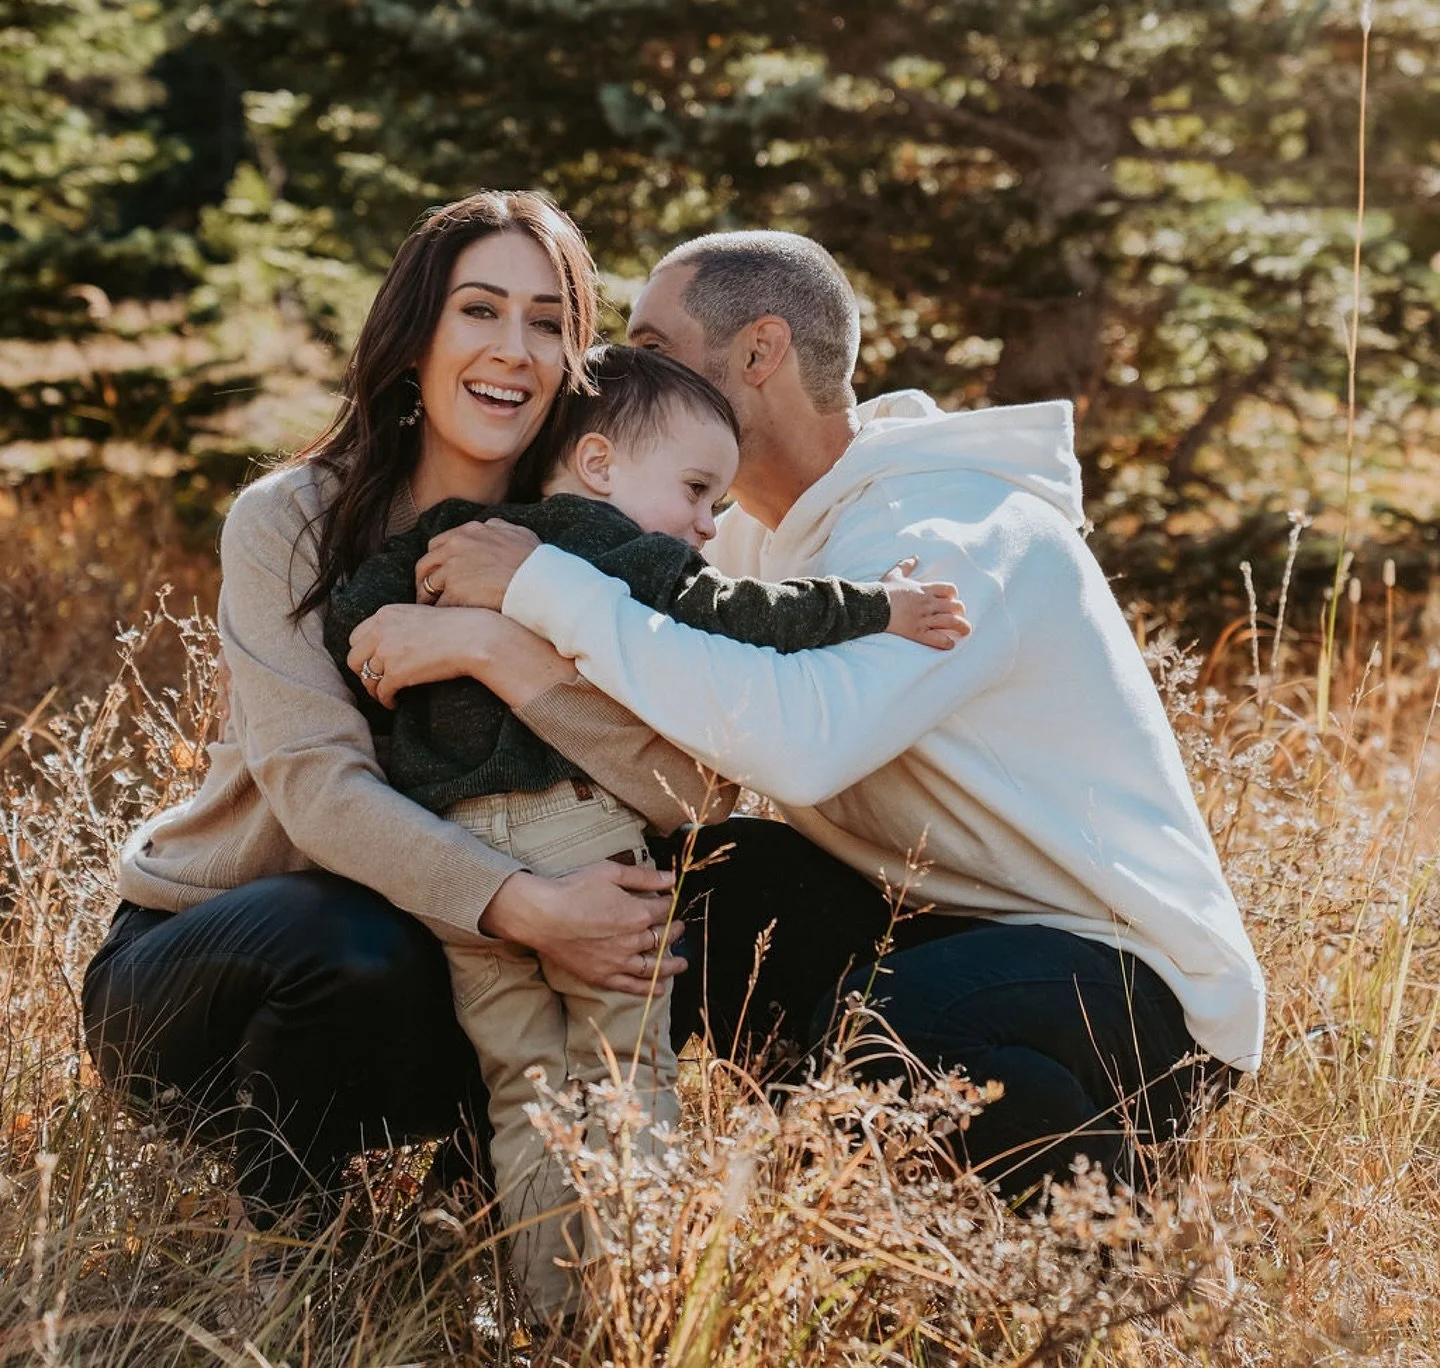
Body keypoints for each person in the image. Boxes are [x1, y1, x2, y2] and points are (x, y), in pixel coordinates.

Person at [416, 229, 1266, 1203]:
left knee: (885, 1031)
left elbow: (803, 745)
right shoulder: (732, 533)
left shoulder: (955, 533)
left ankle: (1098, 1222)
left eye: (650, 348)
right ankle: (475, 1220)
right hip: (922, 924)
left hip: (1128, 985)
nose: (612, 375)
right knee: (680, 891)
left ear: (758, 353)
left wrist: (545, 585)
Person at [80, 192, 711, 1241]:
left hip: (443, 958)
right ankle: (292, 1255)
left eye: (549, 321)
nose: (514, 348)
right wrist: (527, 907)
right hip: (221, 968)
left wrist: (494, 647)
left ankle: (493, 1233)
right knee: (351, 931)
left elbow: (684, 789)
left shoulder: (598, 543)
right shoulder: (291, 519)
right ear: (414, 334)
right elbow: (321, 796)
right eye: (479, 309)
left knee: (687, 904)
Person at [327, 342, 967, 1314]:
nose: (709, 524)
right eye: (698, 490)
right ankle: (632, 1303)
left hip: (468, 877)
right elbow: (751, 613)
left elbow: (351, 620)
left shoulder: (452, 534)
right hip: (586, 849)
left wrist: (383, 645)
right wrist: (885, 605)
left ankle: (545, 1312)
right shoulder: (623, 551)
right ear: (597, 468)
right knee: (630, 1079)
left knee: (525, 1091)